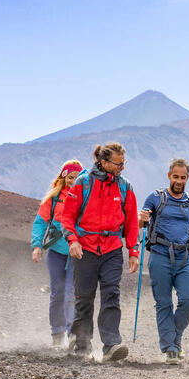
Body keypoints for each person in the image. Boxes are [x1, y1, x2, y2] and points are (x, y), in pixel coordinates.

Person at [61, 142, 139, 361]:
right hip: (84, 249)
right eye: (118, 163)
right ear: (103, 162)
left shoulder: (125, 187)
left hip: (112, 249)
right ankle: (82, 343)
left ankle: (111, 345)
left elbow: (132, 222)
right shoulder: (83, 183)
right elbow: (67, 216)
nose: (122, 167)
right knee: (84, 297)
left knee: (111, 293)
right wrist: (72, 240)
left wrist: (133, 250)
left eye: (124, 163)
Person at [138, 158, 189, 364]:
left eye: (183, 177)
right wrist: (142, 219)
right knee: (164, 302)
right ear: (169, 176)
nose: (179, 180)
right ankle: (171, 349)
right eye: (175, 176)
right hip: (160, 255)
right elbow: (141, 223)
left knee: (188, 300)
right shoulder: (156, 198)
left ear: (187, 178)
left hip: (184, 258)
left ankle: (175, 338)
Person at [30, 159, 83, 347]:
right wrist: (37, 245)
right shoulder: (53, 198)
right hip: (56, 252)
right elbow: (40, 222)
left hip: (76, 253)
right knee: (57, 293)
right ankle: (57, 333)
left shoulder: (85, 198)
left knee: (71, 293)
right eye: (70, 177)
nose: (73, 181)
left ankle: (72, 334)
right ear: (63, 176)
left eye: (77, 178)